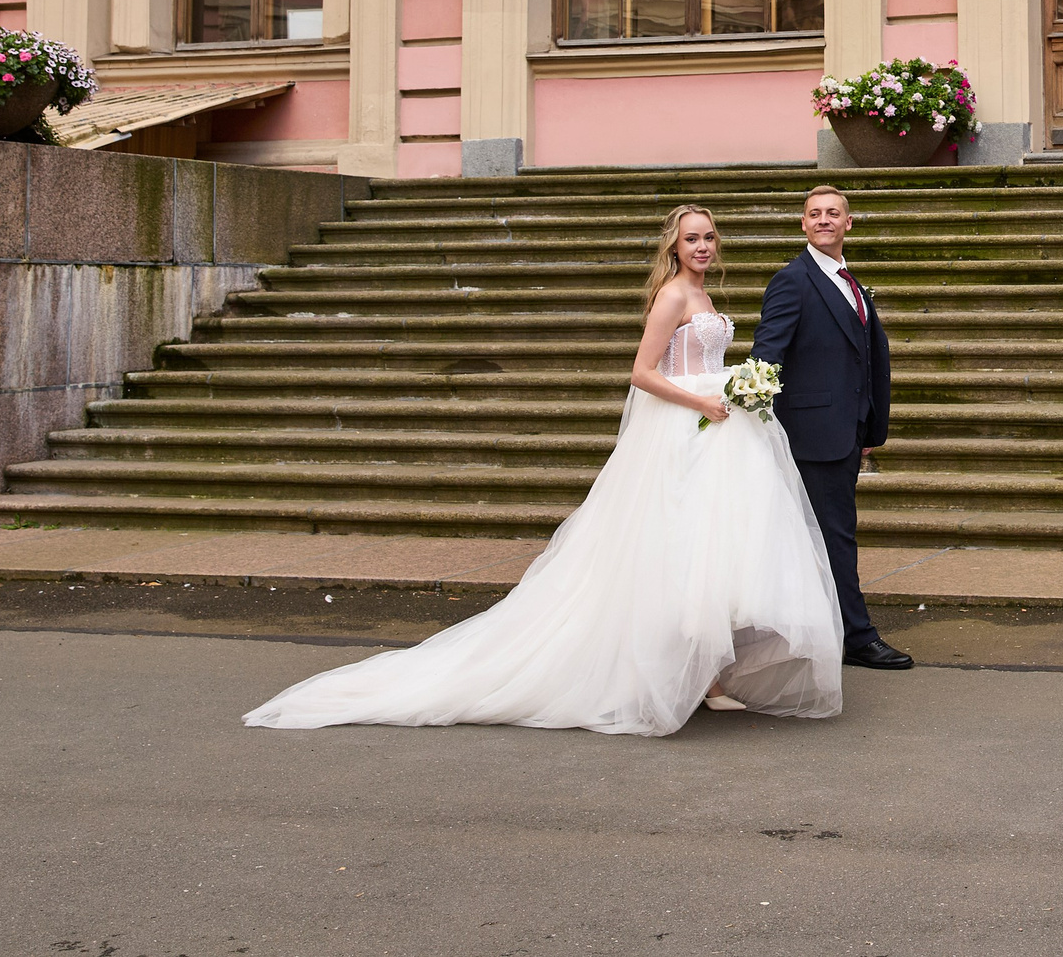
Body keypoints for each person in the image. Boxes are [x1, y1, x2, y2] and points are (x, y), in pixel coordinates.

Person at [241, 204, 844, 737]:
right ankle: (678, 677)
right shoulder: (672, 296)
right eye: (692, 239)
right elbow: (642, 372)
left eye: (710, 237)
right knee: (673, 553)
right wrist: (705, 401)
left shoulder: (705, 297)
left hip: (716, 430)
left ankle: (705, 675)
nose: (703, 247)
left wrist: (737, 388)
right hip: (689, 426)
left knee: (705, 556)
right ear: (673, 247)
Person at [750, 185, 914, 672]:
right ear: (803, 224)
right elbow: (766, 356)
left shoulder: (852, 283)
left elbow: (865, 358)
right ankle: (857, 637)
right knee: (835, 536)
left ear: (849, 223)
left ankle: (824, 629)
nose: (824, 220)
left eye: (833, 213)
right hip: (809, 434)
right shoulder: (792, 280)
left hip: (845, 432)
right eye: (814, 213)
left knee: (825, 535)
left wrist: (867, 427)